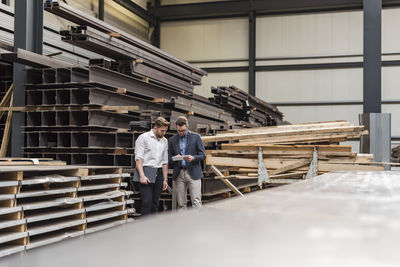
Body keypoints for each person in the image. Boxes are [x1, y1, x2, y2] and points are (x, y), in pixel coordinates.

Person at [133, 117, 169, 216]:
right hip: (146, 171)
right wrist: (142, 175)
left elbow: (165, 161)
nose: (164, 133)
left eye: (165, 131)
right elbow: (138, 158)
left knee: (155, 203)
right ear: (155, 127)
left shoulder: (164, 141)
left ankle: (153, 228)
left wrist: (165, 179)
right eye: (162, 131)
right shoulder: (143, 138)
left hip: (159, 172)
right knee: (146, 202)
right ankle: (144, 228)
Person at [168, 116, 206, 209]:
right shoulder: (172, 140)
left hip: (193, 173)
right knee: (181, 204)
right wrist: (174, 158)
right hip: (179, 173)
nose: (181, 133)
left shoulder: (196, 137)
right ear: (176, 127)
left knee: (196, 202)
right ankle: (182, 223)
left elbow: (203, 155)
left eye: (183, 130)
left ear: (187, 127)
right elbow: (168, 158)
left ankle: (196, 223)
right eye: (179, 131)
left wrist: (193, 158)